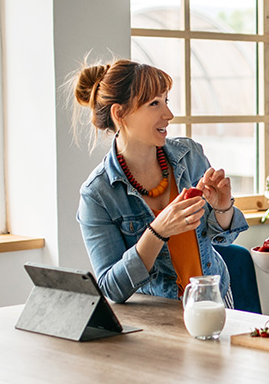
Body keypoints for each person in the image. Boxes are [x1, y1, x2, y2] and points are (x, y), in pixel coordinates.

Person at [74, 59, 248, 305]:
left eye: (165, 101)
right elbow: (112, 289)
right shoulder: (97, 194)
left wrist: (222, 209)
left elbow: (223, 239)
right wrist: (158, 231)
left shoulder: (189, 155)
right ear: (119, 113)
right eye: (154, 104)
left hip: (214, 302)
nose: (168, 115)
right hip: (157, 319)